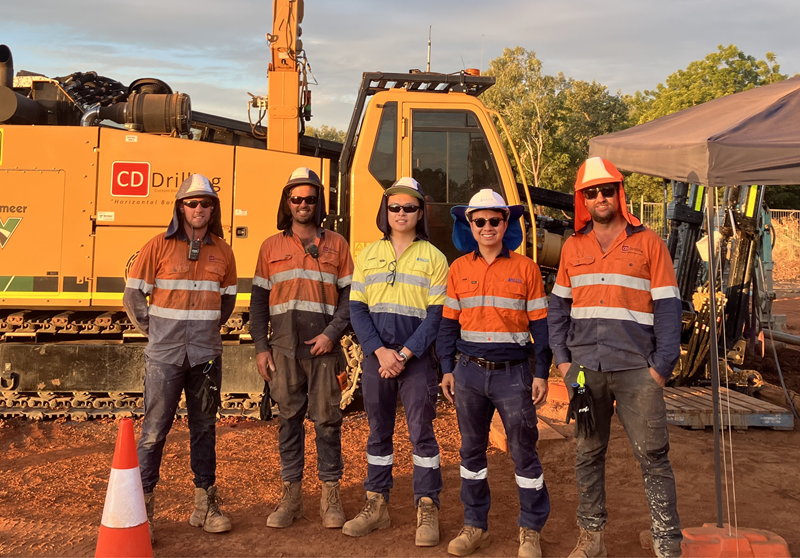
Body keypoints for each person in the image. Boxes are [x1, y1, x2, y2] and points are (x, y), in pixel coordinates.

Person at [548, 157, 683, 558]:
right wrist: (563, 362)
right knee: (588, 452)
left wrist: (661, 367)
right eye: (591, 192)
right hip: (585, 372)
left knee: (653, 455)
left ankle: (667, 543)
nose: (600, 197)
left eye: (607, 190)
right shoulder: (573, 246)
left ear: (618, 193)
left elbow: (669, 308)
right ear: (583, 200)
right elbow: (558, 308)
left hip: (638, 370)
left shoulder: (649, 243)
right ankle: (592, 538)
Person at [437, 189, 552, 558]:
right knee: (471, 452)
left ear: (506, 223)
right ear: (469, 225)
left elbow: (542, 326)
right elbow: (448, 325)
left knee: (523, 452)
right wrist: (447, 368)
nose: (487, 227)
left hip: (513, 375)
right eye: (479, 221)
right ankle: (475, 526)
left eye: (494, 220)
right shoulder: (458, 269)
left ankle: (531, 530)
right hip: (468, 374)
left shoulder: (527, 269)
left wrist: (542, 372)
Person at [123, 174, 237, 541]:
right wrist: (155, 332)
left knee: (204, 429)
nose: (199, 208)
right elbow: (133, 296)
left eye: (205, 203)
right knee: (154, 432)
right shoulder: (157, 246)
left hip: (206, 357)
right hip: (165, 357)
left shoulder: (224, 251)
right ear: (180, 208)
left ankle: (205, 506)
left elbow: (228, 300)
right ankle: (143, 514)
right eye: (192, 203)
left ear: (212, 210)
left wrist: (205, 331)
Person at [343, 177, 448, 546]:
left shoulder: (435, 258)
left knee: (422, 434)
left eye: (409, 208)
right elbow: (357, 309)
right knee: (378, 432)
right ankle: (377, 504)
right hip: (378, 359)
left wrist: (403, 354)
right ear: (385, 211)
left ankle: (427, 506)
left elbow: (436, 317)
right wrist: (379, 351)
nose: (401, 213)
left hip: (415, 361)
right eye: (395, 207)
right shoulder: (368, 255)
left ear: (420, 213)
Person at [250, 167, 353, 529]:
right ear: (288, 202)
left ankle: (330, 497)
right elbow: (259, 302)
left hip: (323, 350)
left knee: (327, 422)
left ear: (318, 202)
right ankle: (291, 497)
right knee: (288, 422)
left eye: (310, 198)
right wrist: (261, 347)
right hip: (283, 349)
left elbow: (349, 300)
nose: (303, 204)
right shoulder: (270, 247)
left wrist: (331, 335)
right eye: (296, 198)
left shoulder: (337, 244)